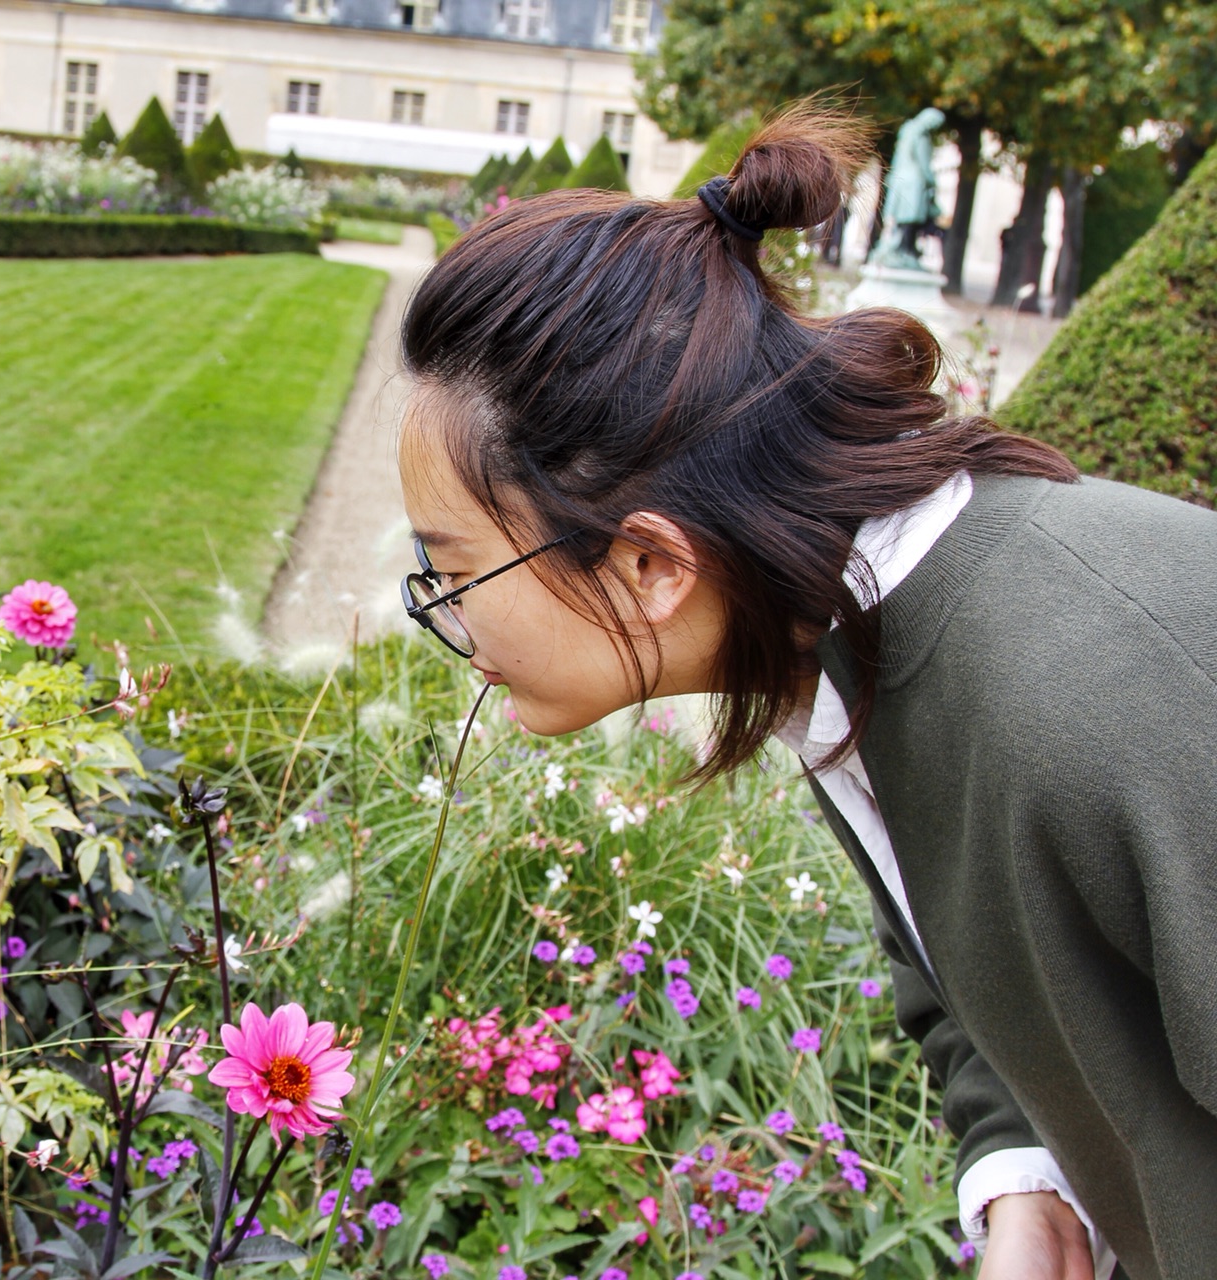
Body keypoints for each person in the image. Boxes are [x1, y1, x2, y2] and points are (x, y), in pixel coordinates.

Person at [394, 103, 1215, 1280]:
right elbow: (968, 965)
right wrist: (1028, 1171)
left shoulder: (1113, 693)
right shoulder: (832, 635)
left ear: (650, 565)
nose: (451, 613)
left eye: (460, 569)